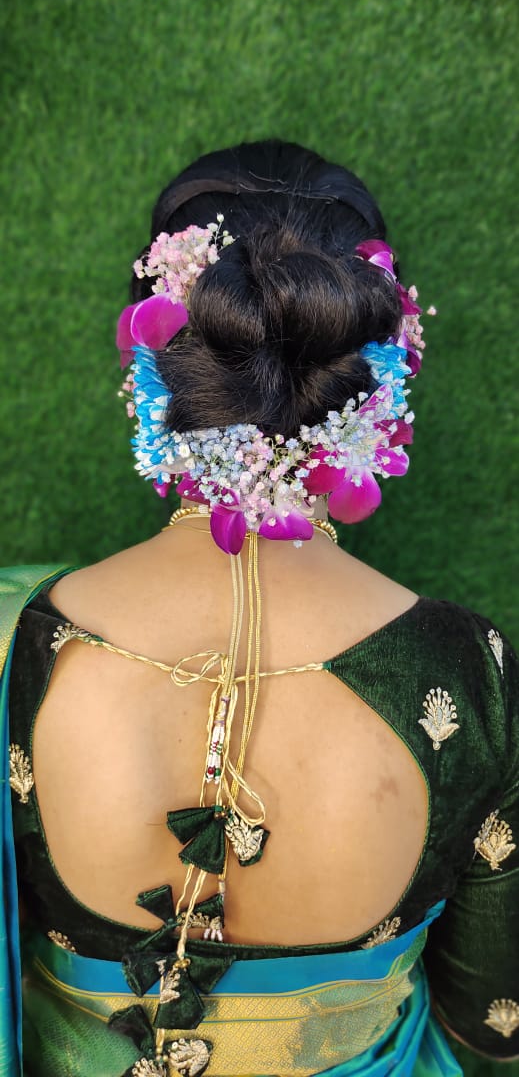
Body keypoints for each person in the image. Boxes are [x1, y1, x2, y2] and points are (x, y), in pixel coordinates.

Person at [1, 139, 518, 1077]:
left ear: (152, 369)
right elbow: (491, 1018)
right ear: (383, 381)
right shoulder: (469, 676)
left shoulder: (15, 647)